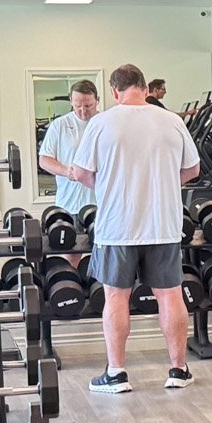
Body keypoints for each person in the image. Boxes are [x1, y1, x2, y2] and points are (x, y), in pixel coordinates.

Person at [63, 64, 200, 393]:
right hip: (163, 224)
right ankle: (178, 370)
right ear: (146, 88)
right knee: (170, 295)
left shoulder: (101, 123)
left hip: (117, 227)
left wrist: (107, 186)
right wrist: (164, 184)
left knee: (116, 296)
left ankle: (116, 373)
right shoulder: (172, 120)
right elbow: (192, 169)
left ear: (113, 92)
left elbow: (80, 173)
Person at [34, 79, 100, 217]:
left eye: (88, 106)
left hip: (101, 205)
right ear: (71, 101)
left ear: (97, 100)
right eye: (78, 106)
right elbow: (44, 160)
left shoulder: (105, 124)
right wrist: (66, 172)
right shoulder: (59, 125)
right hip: (69, 205)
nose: (83, 111)